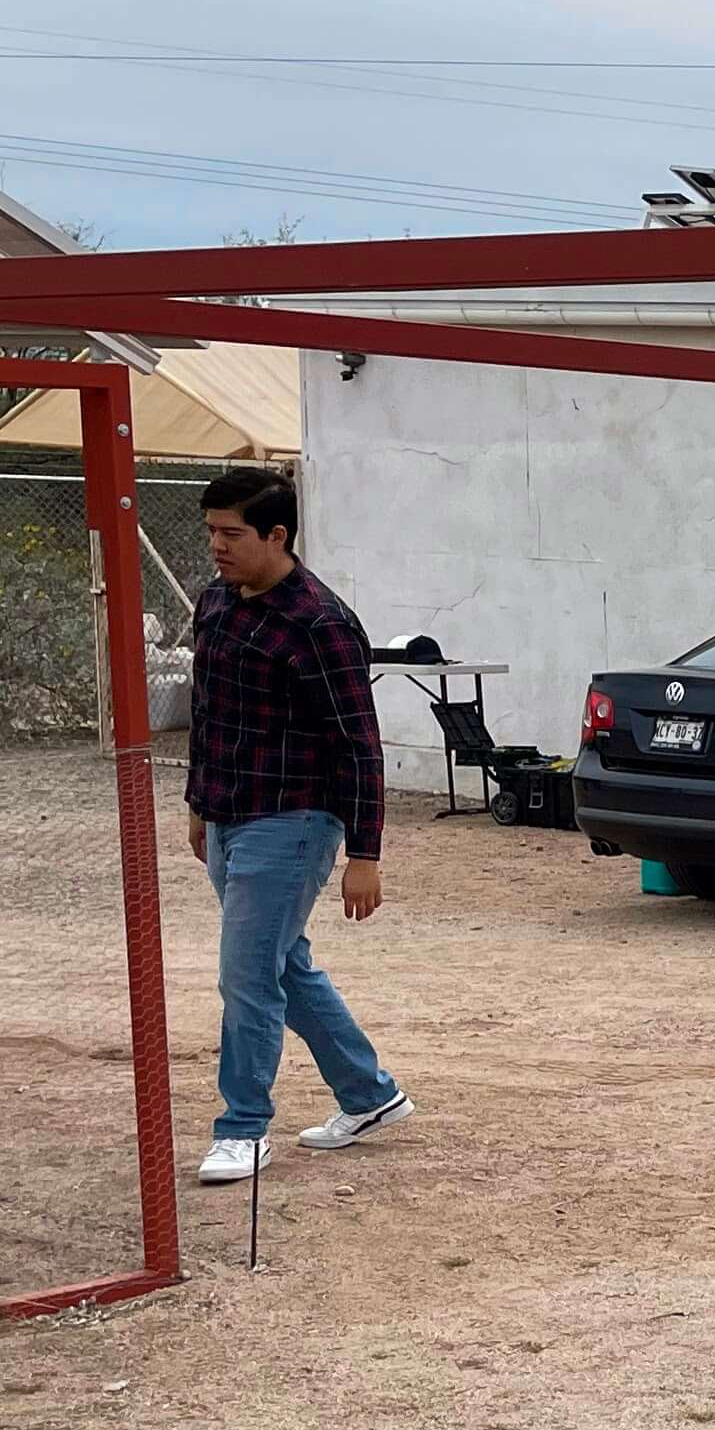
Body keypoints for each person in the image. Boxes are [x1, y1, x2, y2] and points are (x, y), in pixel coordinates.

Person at [181, 465, 408, 1185]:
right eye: (211, 531)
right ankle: (370, 1095)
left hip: (294, 820)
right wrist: (198, 804)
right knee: (280, 964)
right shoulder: (215, 603)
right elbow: (209, 711)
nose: (216, 546)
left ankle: (242, 1129)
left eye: (231, 533)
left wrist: (365, 854)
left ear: (277, 534)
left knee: (247, 975)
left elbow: (359, 744)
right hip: (227, 815)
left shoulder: (321, 623)